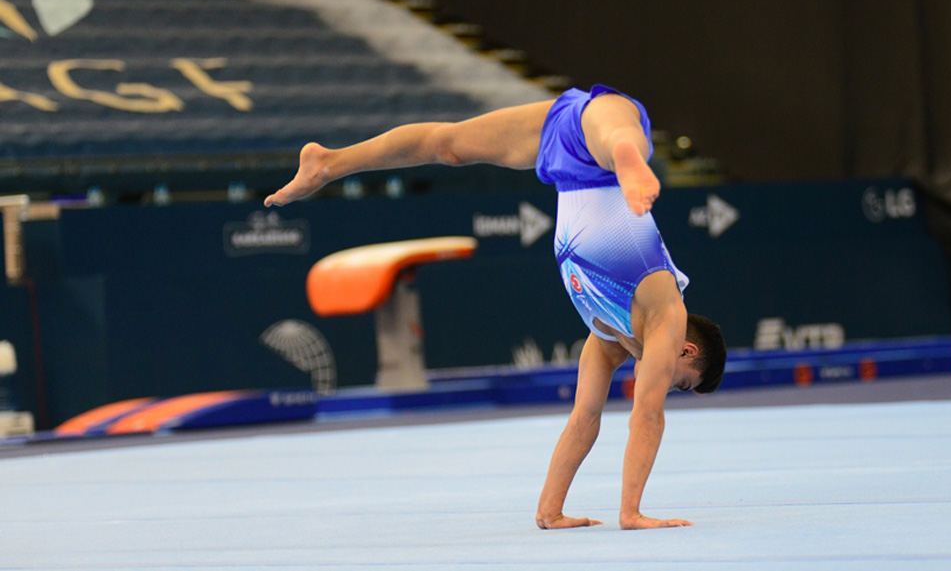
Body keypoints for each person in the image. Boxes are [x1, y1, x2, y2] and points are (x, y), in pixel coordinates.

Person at [265, 84, 727, 530]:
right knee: (621, 134)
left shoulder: (607, 340)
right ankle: (633, 160)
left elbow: (584, 419)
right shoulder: (668, 314)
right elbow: (647, 414)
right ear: (686, 351)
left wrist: (551, 509)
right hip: (603, 133)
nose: (667, 385)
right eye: (681, 385)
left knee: (447, 146)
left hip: (563, 154)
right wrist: (632, 512)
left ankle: (328, 162)